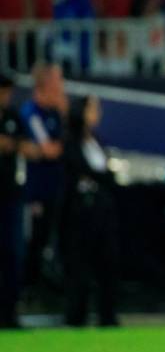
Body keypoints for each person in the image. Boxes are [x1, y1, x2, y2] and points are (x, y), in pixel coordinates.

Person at [58, 95, 120, 326]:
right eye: (93, 109)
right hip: (79, 212)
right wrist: (101, 177)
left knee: (107, 262)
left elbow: (103, 174)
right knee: (79, 266)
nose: (98, 113)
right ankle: (76, 316)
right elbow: (81, 170)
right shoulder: (71, 141)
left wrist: (100, 178)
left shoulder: (97, 141)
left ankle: (107, 315)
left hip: (101, 210)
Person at [19, 63, 66, 294]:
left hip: (58, 189)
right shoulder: (31, 112)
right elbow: (50, 150)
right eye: (58, 82)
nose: (62, 87)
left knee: (59, 240)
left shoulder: (57, 113)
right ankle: (28, 290)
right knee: (36, 241)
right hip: (38, 191)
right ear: (46, 84)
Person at [0, 75, 28, 328]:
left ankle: (10, 312)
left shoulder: (12, 116)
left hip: (10, 195)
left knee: (12, 253)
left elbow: (26, 145)